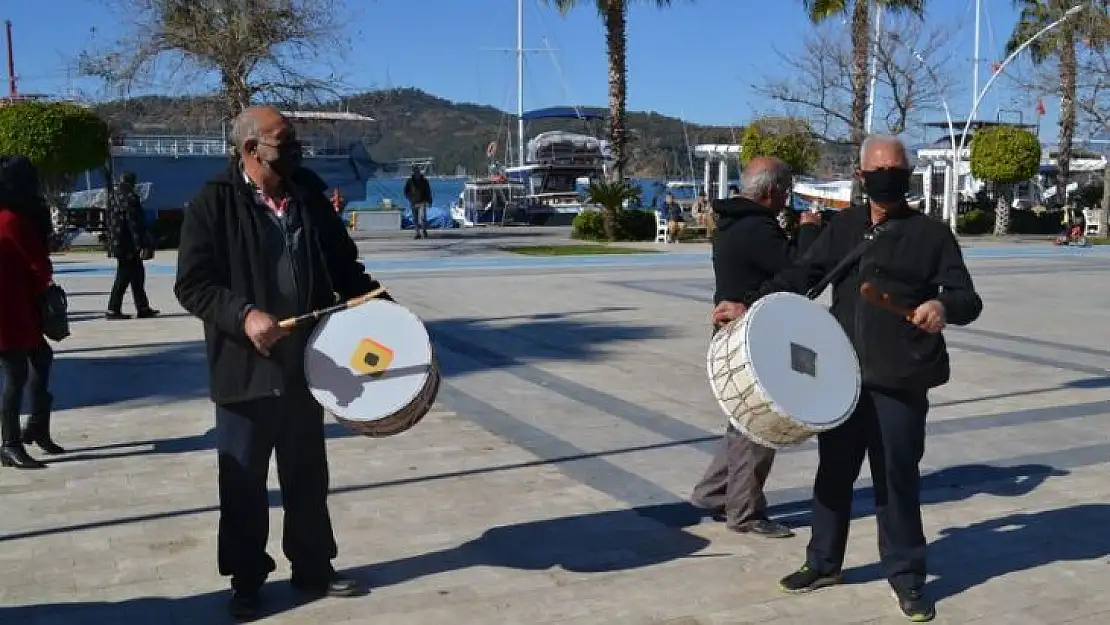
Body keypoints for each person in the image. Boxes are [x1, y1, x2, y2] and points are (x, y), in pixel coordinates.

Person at [713, 136, 982, 622]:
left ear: (908, 175)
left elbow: (967, 298)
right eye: (878, 170)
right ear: (861, 177)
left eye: (896, 169)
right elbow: (799, 276)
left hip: (901, 380)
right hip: (841, 378)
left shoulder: (931, 234)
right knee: (833, 476)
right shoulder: (844, 229)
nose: (888, 177)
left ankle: (907, 577)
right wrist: (747, 306)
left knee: (896, 481)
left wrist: (942, 306)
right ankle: (823, 563)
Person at [175, 106, 390, 619]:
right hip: (244, 373)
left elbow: (346, 269)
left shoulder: (309, 196)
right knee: (244, 483)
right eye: (284, 141)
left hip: (309, 366)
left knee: (308, 476)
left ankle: (314, 567)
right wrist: (244, 315)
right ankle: (247, 580)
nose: (295, 149)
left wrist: (387, 315)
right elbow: (193, 285)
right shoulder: (212, 203)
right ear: (251, 149)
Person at [691, 156, 822, 538]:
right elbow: (799, 272)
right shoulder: (756, 229)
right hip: (752, 335)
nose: (787, 200)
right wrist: (810, 231)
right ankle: (744, 511)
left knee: (742, 417)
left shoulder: (734, 223)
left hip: (735, 331)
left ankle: (714, 492)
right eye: (785, 192)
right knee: (760, 422)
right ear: (770, 192)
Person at [0, 155, 63, 469]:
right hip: (12, 308)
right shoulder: (13, 219)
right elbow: (39, 266)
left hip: (16, 306)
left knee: (40, 358)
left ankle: (36, 427)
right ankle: (10, 443)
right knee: (15, 374)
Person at [105, 171, 159, 320]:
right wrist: (141, 245)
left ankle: (143, 307)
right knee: (123, 277)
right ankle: (112, 309)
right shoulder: (130, 198)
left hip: (117, 243)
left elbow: (109, 222)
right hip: (128, 245)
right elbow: (134, 224)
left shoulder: (113, 197)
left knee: (137, 275)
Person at [403, 165, 432, 239]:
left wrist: (429, 201)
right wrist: (410, 198)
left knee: (422, 217)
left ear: (419, 172)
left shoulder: (424, 181)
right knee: (415, 218)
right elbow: (405, 191)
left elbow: (428, 191)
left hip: (422, 201)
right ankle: (417, 233)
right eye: (415, 171)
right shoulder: (409, 181)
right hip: (413, 202)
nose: (416, 173)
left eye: (417, 171)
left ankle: (424, 230)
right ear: (413, 172)